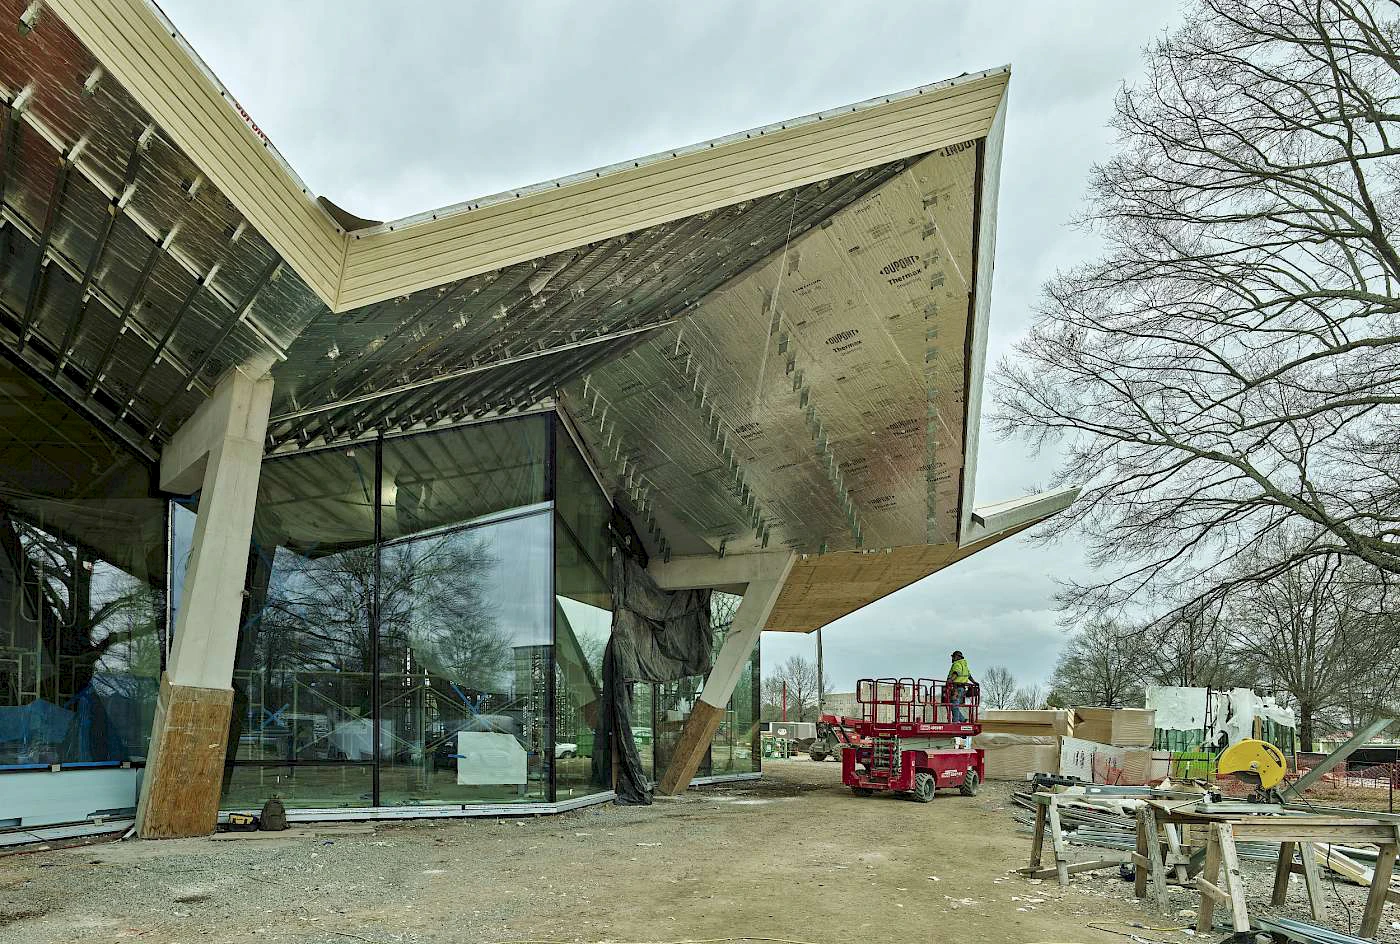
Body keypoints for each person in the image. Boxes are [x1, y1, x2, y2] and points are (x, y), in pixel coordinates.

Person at [946, 650, 975, 723]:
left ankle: (955, 722)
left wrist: (950, 680)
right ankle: (962, 719)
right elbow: (969, 675)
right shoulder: (964, 665)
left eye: (953, 656)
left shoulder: (957, 664)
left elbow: (956, 673)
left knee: (954, 706)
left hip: (956, 688)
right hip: (962, 689)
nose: (952, 658)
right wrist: (974, 682)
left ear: (957, 657)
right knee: (954, 705)